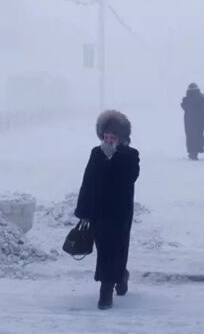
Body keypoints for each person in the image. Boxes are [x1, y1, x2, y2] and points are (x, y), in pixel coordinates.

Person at [74, 110, 140, 310]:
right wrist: (84, 210)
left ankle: (110, 288)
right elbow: (88, 181)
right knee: (104, 249)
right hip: (98, 211)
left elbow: (129, 178)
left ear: (121, 137)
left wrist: (114, 158)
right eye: (106, 136)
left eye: (113, 136)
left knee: (116, 248)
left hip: (120, 212)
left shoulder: (130, 155)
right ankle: (114, 281)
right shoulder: (96, 153)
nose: (109, 139)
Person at [181, 83, 204, 160]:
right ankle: (195, 153)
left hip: (189, 122)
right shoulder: (201, 99)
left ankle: (192, 152)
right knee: (198, 137)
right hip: (199, 122)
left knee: (190, 137)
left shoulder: (187, 100)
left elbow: (184, 106)